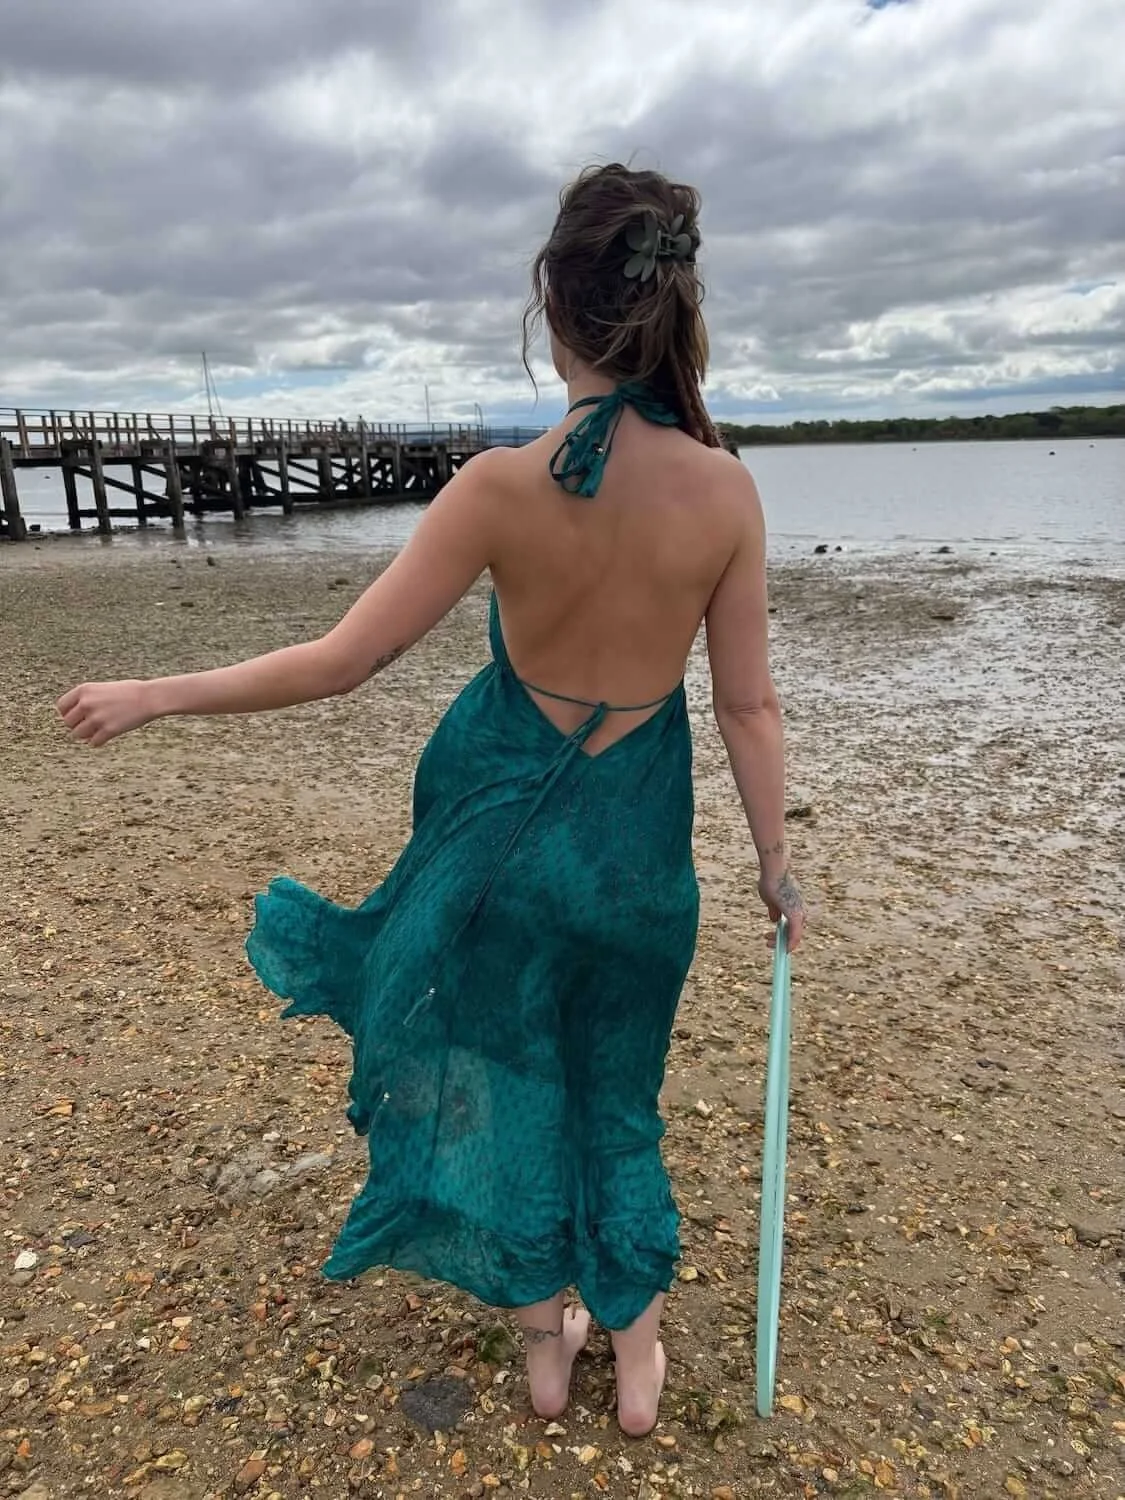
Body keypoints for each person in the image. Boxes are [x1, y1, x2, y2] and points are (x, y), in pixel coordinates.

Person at [57, 163, 806, 1438]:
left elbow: (344, 661)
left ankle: (544, 1353)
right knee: (618, 1096)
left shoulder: (495, 488)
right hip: (637, 872)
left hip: (500, 864)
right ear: (672, 307)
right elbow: (747, 708)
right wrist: (777, 869)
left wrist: (156, 690)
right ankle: (636, 1362)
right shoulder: (726, 492)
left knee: (514, 1082)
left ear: (554, 313)